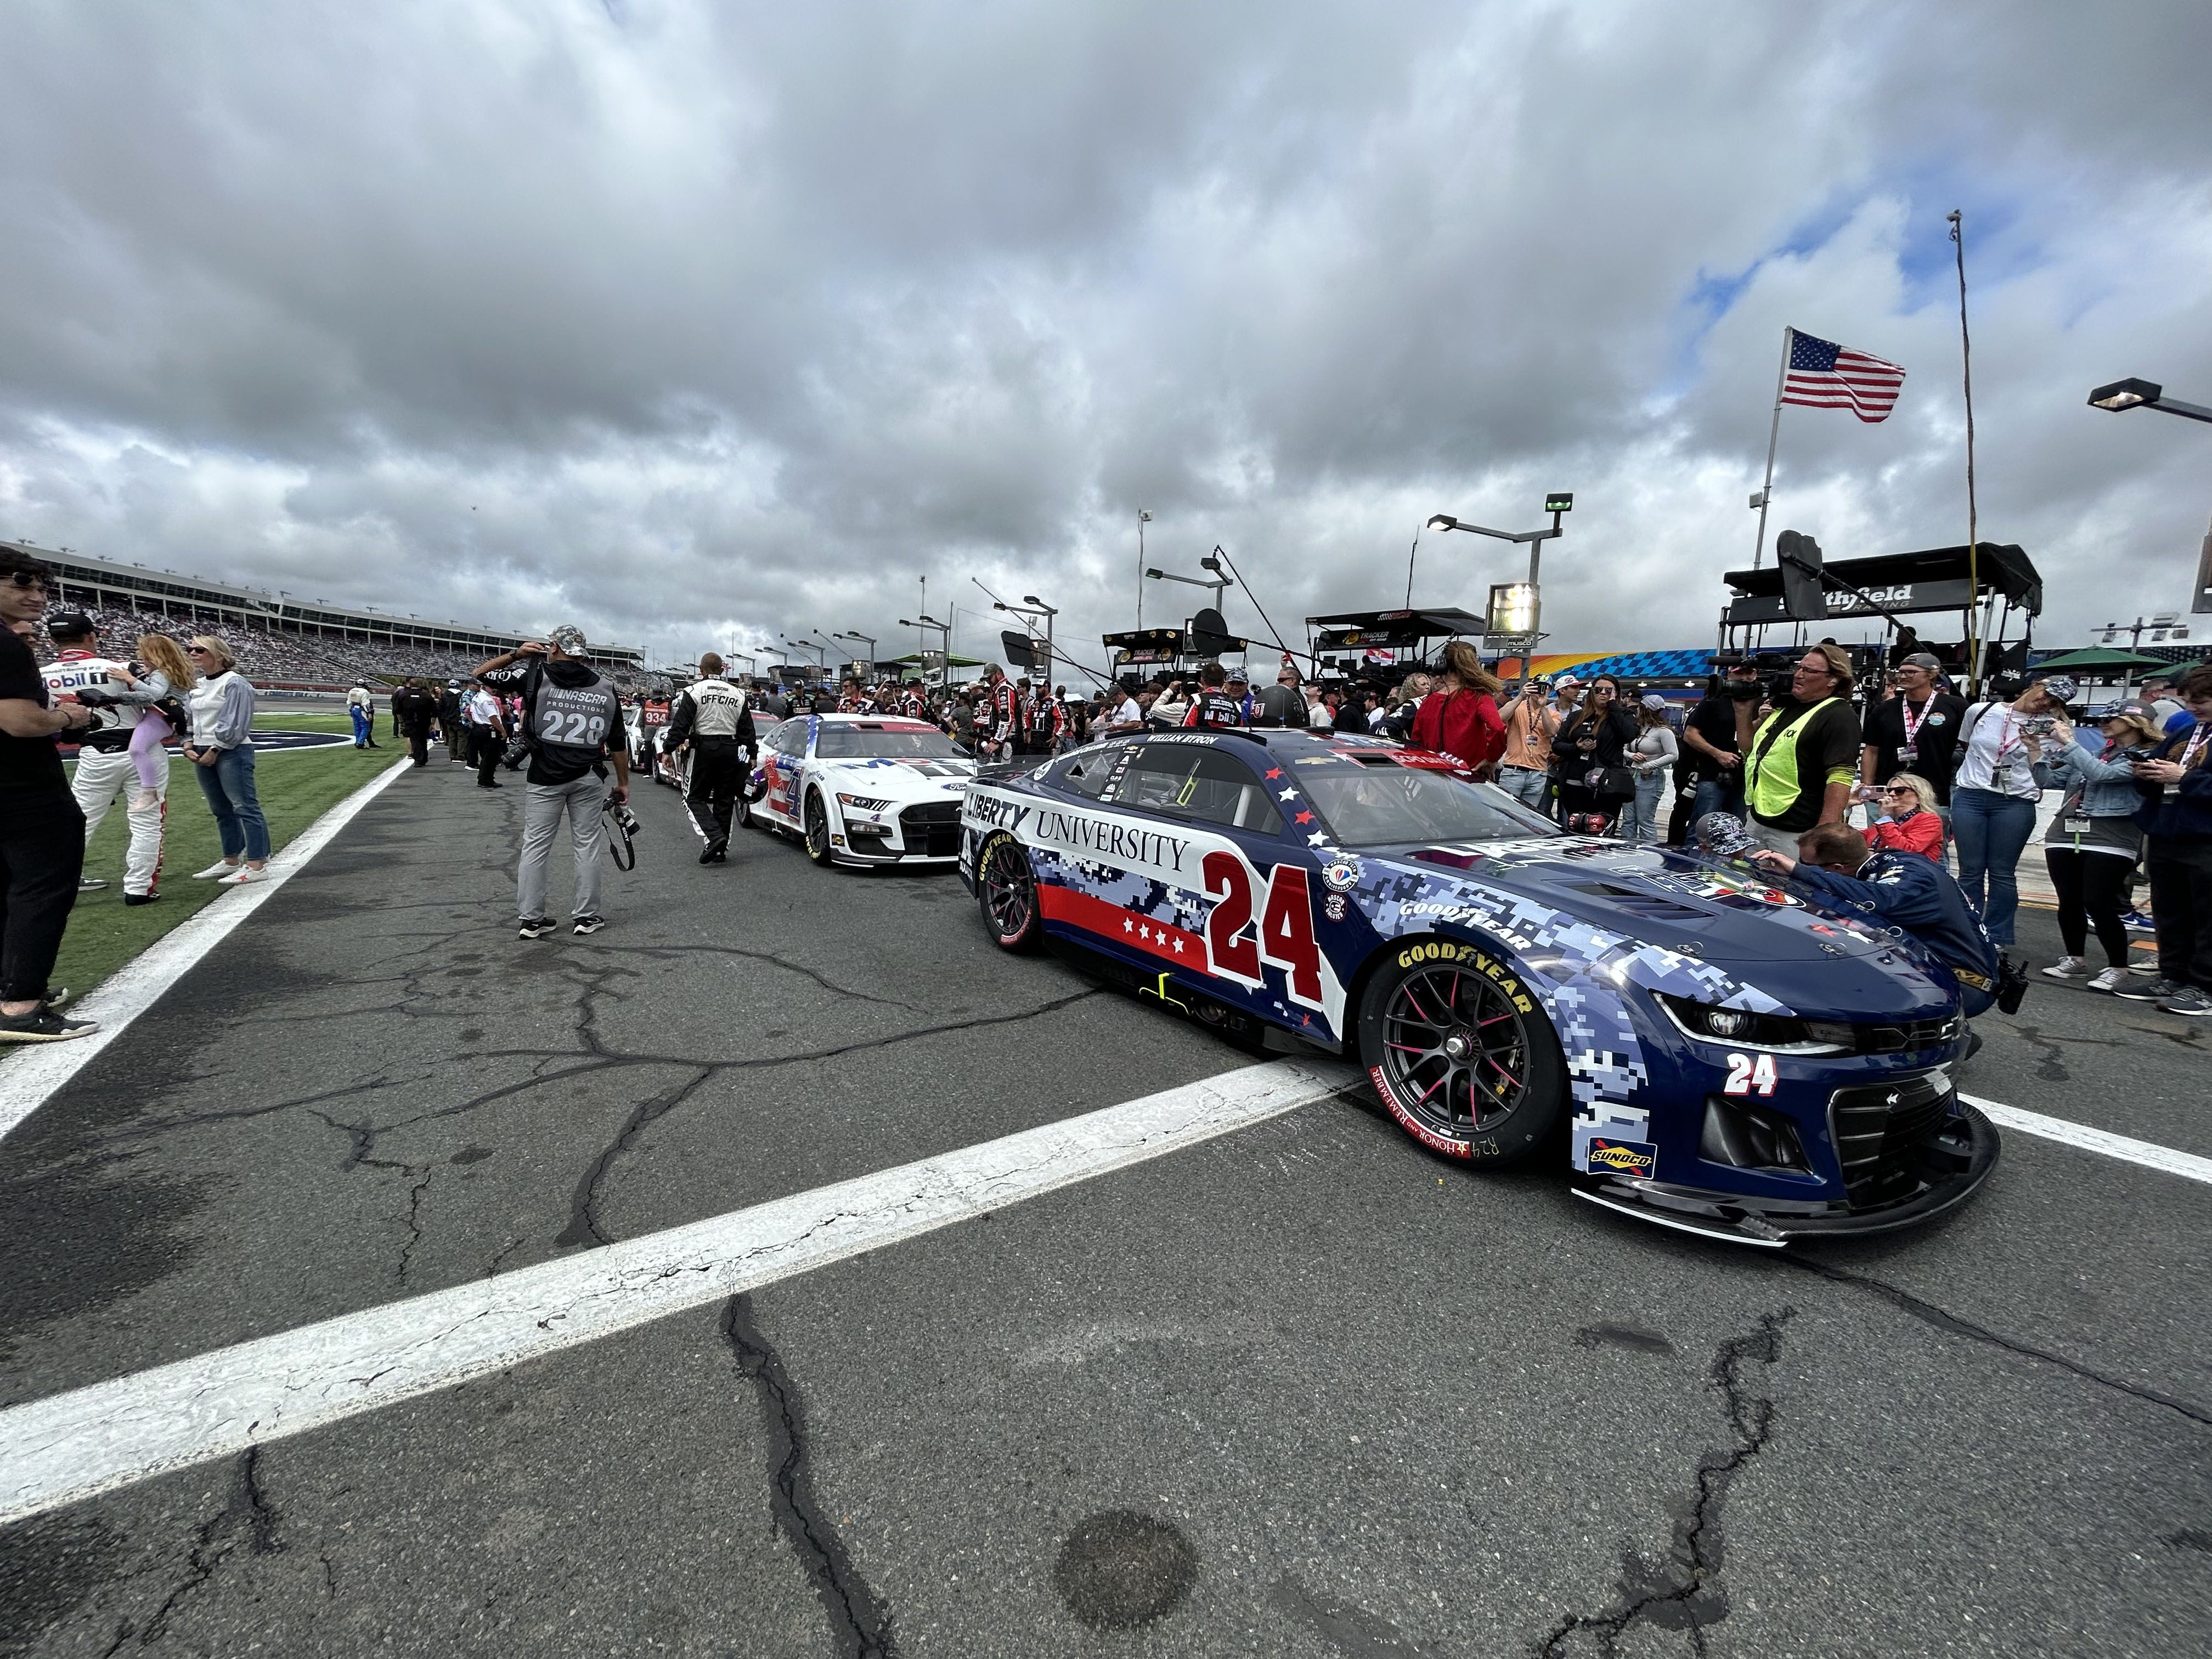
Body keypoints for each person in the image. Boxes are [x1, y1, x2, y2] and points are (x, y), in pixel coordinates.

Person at [0, 549, 100, 1041]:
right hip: (21, 788)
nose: (36, 596)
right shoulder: (6, 644)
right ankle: (20, 1005)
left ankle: (10, 986)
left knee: (10, 889)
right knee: (42, 888)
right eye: (22, 584)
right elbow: (19, 722)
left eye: (42, 587)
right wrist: (68, 718)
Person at [472, 626, 630, 938]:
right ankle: (586, 916)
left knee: (535, 847)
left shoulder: (534, 675)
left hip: (544, 774)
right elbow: (617, 743)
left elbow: (480, 674)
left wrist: (517, 654)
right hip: (588, 774)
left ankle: (531, 919)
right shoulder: (606, 687)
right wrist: (624, 782)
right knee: (587, 846)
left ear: (554, 647)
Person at [1753, 823, 2001, 1016]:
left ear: (1838, 868)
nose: (1805, 867)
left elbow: (1881, 901)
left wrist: (1800, 872)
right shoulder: (1885, 862)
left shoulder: (1911, 879)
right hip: (1937, 970)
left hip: (1965, 985)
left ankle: (1942, 1040)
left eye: (1811, 864)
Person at [37, 614, 171, 907]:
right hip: (142, 750)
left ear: (52, 641)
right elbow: (160, 700)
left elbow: (45, 719)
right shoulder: (124, 668)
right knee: (147, 822)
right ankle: (139, 889)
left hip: (93, 753)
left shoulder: (42, 674)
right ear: (92, 637)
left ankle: (60, 887)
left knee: (79, 822)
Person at [2035, 702, 2161, 992]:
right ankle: (2074, 959)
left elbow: (2102, 776)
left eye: (2111, 718)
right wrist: (2035, 750)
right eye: (2100, 718)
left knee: (2098, 900)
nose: (2102, 722)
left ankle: (2118, 967)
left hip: (2112, 834)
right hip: (2066, 830)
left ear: (2135, 722)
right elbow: (2047, 779)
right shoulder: (2094, 754)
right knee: (2069, 899)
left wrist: (2068, 742)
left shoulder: (2145, 757)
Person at [1949, 674, 2074, 955]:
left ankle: (1996, 934)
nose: (2044, 702)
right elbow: (1967, 746)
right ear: (2035, 685)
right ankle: (1965, 930)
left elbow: (2051, 772)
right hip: (1972, 794)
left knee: (2002, 872)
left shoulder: (2056, 728)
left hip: (2016, 800)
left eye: (2053, 702)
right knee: (1970, 870)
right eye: (2044, 693)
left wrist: (2041, 743)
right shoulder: (1981, 710)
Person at [2116, 665, 2212, 1016]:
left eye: (2201, 701)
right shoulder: (2189, 731)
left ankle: (2205, 987)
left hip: (2205, 838)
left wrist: (2184, 777)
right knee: (2170, 911)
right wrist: (2145, 773)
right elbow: (2162, 770)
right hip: (2167, 831)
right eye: (2189, 701)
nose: (2192, 708)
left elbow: (2186, 777)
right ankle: (2173, 975)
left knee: (2207, 915)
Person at [1740, 645, 1862, 857]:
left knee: (1790, 888)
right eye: (1799, 668)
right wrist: (1741, 710)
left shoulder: (1839, 715)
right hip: (1758, 817)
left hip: (1798, 827)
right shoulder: (1787, 707)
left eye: (1809, 671)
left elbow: (1841, 777)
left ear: (1833, 679)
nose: (1799, 675)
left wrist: (1823, 833)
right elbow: (1750, 750)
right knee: (1748, 882)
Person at [180, 636, 270, 884]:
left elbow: (236, 722)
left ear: (218, 654)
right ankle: (231, 859)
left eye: (200, 649)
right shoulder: (196, 685)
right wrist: (187, 744)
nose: (193, 653)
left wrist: (216, 748)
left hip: (231, 750)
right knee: (220, 809)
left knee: (244, 806)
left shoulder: (235, 682)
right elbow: (190, 719)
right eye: (190, 649)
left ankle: (257, 862)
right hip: (201, 747)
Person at [663, 652, 755, 864]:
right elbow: (747, 728)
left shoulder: (693, 691)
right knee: (725, 799)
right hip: (731, 749)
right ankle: (721, 849)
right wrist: (752, 753)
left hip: (704, 748)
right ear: (722, 670)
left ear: (701, 670)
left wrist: (668, 750)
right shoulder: (739, 694)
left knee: (694, 798)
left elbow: (680, 727)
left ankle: (714, 837)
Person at [1859, 653, 1968, 832]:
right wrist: (1869, 790)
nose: (1903, 676)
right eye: (1900, 672)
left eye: (1911, 672)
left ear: (1932, 674)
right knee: (1882, 846)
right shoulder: (1884, 710)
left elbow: (1969, 748)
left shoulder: (1956, 706)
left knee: (1932, 852)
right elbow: (1871, 751)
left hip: (1934, 794)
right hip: (1888, 793)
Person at [1409, 641, 1506, 776]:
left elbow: (1416, 744)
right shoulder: (1479, 697)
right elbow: (1498, 728)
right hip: (1470, 779)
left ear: (1442, 666)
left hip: (1433, 779)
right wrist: (1491, 759)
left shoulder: (1427, 703)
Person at [1555, 676, 1637, 826]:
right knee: (1575, 829)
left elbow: (1629, 735)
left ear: (1616, 693)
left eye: (1608, 690)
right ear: (1592, 692)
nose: (1603, 693)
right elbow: (1558, 745)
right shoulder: (1577, 716)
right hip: (1575, 782)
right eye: (1598, 690)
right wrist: (1577, 747)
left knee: (1601, 829)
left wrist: (1613, 705)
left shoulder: (1623, 715)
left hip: (1606, 785)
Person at [1616, 694, 1679, 844]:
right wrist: (1632, 755)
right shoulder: (1637, 729)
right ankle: (1626, 850)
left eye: (1639, 708)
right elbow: (1621, 749)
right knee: (1628, 819)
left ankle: (1650, 852)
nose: (1636, 710)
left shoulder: (1663, 731)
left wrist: (1650, 765)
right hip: (1631, 774)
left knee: (1645, 821)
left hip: (1650, 776)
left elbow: (1674, 755)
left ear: (1645, 709)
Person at [1493, 678, 1558, 811]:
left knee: (1529, 816)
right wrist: (1521, 696)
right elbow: (1499, 719)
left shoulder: (1553, 712)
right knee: (1505, 813)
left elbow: (1552, 731)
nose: (1539, 690)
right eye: (1537, 686)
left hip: (1538, 772)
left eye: (1545, 687)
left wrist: (1543, 707)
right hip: (1514, 769)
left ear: (1550, 690)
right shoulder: (1517, 706)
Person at [1863, 772, 1945, 862]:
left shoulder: (1930, 820)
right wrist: (1848, 808)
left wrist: (1886, 819)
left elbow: (1907, 850)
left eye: (1900, 791)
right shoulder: (1890, 821)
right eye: (1889, 790)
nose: (1892, 794)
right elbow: (1851, 840)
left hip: (1911, 871)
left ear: (1919, 796)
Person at [466, 679, 509, 787]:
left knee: (485, 755)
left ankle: (483, 778)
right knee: (490, 756)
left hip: (478, 727)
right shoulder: (487, 700)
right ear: (484, 686)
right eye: (491, 687)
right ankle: (487, 780)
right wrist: (502, 731)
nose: (494, 689)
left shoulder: (477, 697)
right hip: (488, 729)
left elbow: (469, 711)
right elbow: (493, 717)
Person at [976, 665, 1023, 760]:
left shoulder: (1004, 689)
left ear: (998, 674)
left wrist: (997, 741)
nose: (988, 681)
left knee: (1007, 773)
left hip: (1009, 741)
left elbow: (1007, 718)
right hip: (1005, 740)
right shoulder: (999, 690)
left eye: (989, 678)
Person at [1182, 662, 1248, 730]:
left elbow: (1186, 730)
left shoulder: (1197, 700)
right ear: (1223, 682)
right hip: (1226, 740)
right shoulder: (1236, 707)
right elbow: (1241, 734)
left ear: (1202, 680)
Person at [394, 677, 437, 767]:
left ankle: (418, 759)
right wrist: (433, 723)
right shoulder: (426, 696)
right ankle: (423, 757)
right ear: (420, 685)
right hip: (424, 721)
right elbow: (434, 711)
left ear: (410, 684)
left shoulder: (404, 695)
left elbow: (398, 711)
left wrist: (401, 722)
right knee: (422, 739)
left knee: (414, 739)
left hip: (409, 721)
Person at [1254, 663, 1309, 729]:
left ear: (1292, 681)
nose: (1277, 683)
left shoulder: (1295, 699)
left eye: (1281, 680)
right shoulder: (1290, 697)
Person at [437, 681, 466, 761]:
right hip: (459, 718)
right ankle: (461, 755)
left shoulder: (444, 696)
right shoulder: (461, 695)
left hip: (448, 720)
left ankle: (453, 755)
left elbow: (440, 708)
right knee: (461, 738)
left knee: (452, 738)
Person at [346, 679, 379, 748]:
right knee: (366, 728)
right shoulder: (365, 692)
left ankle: (358, 741)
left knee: (357, 727)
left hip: (353, 709)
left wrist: (350, 711)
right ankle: (360, 743)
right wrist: (369, 713)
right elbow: (366, 704)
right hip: (361, 710)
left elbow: (349, 702)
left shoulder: (352, 690)